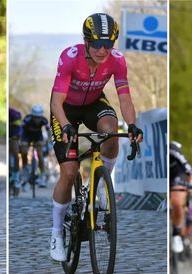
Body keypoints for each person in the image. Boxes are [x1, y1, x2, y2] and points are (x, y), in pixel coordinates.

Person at [48, 13, 143, 261]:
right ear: (86, 41)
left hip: (93, 103)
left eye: (109, 44)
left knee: (112, 130)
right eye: (98, 44)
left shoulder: (117, 61)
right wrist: (67, 125)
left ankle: (102, 182)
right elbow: (55, 101)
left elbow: (124, 98)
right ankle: (56, 233)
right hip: (65, 108)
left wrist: (132, 125)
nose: (103, 50)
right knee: (69, 173)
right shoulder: (70, 58)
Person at [169, 141, 192, 253]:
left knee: (177, 201)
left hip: (177, 175)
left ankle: (176, 233)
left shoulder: (173, 150)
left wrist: (190, 185)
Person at [20, 104, 50, 188]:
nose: (37, 119)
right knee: (24, 152)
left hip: (38, 135)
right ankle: (25, 169)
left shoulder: (44, 120)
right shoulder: (27, 119)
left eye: (38, 117)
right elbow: (21, 130)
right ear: (32, 116)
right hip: (26, 135)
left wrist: (45, 141)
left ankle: (42, 176)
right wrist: (22, 141)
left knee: (40, 154)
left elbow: (49, 131)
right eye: (35, 117)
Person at [9, 107, 23, 194]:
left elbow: (19, 128)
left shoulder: (13, 113)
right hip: (8, 131)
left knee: (15, 151)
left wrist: (16, 137)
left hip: (14, 131)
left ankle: (16, 175)